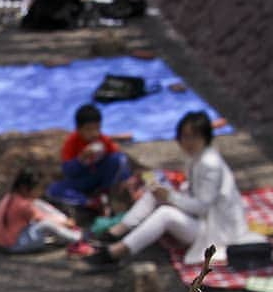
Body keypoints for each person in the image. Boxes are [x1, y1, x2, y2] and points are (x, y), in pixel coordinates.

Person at [86, 110, 263, 267]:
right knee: (154, 193)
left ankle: (118, 251)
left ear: (205, 137)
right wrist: (166, 192)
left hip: (216, 231)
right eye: (184, 137)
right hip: (203, 218)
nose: (188, 142)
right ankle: (117, 231)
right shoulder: (197, 157)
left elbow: (203, 206)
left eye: (194, 137)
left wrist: (171, 197)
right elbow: (192, 191)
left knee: (165, 214)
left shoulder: (210, 165)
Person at [46, 103, 130, 207]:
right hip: (82, 179)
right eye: (89, 129)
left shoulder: (102, 139)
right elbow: (68, 171)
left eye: (97, 128)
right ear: (78, 129)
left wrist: (125, 179)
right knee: (53, 190)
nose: (94, 133)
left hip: (100, 177)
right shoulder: (72, 142)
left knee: (119, 158)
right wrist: (81, 158)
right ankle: (89, 202)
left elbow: (119, 158)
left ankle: (105, 192)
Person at [0, 167, 82, 253]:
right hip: (13, 245)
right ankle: (76, 237)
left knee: (38, 204)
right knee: (46, 224)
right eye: (37, 189)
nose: (39, 192)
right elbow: (43, 220)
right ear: (24, 188)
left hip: (1, 242)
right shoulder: (24, 205)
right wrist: (65, 223)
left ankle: (64, 230)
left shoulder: (9, 197)